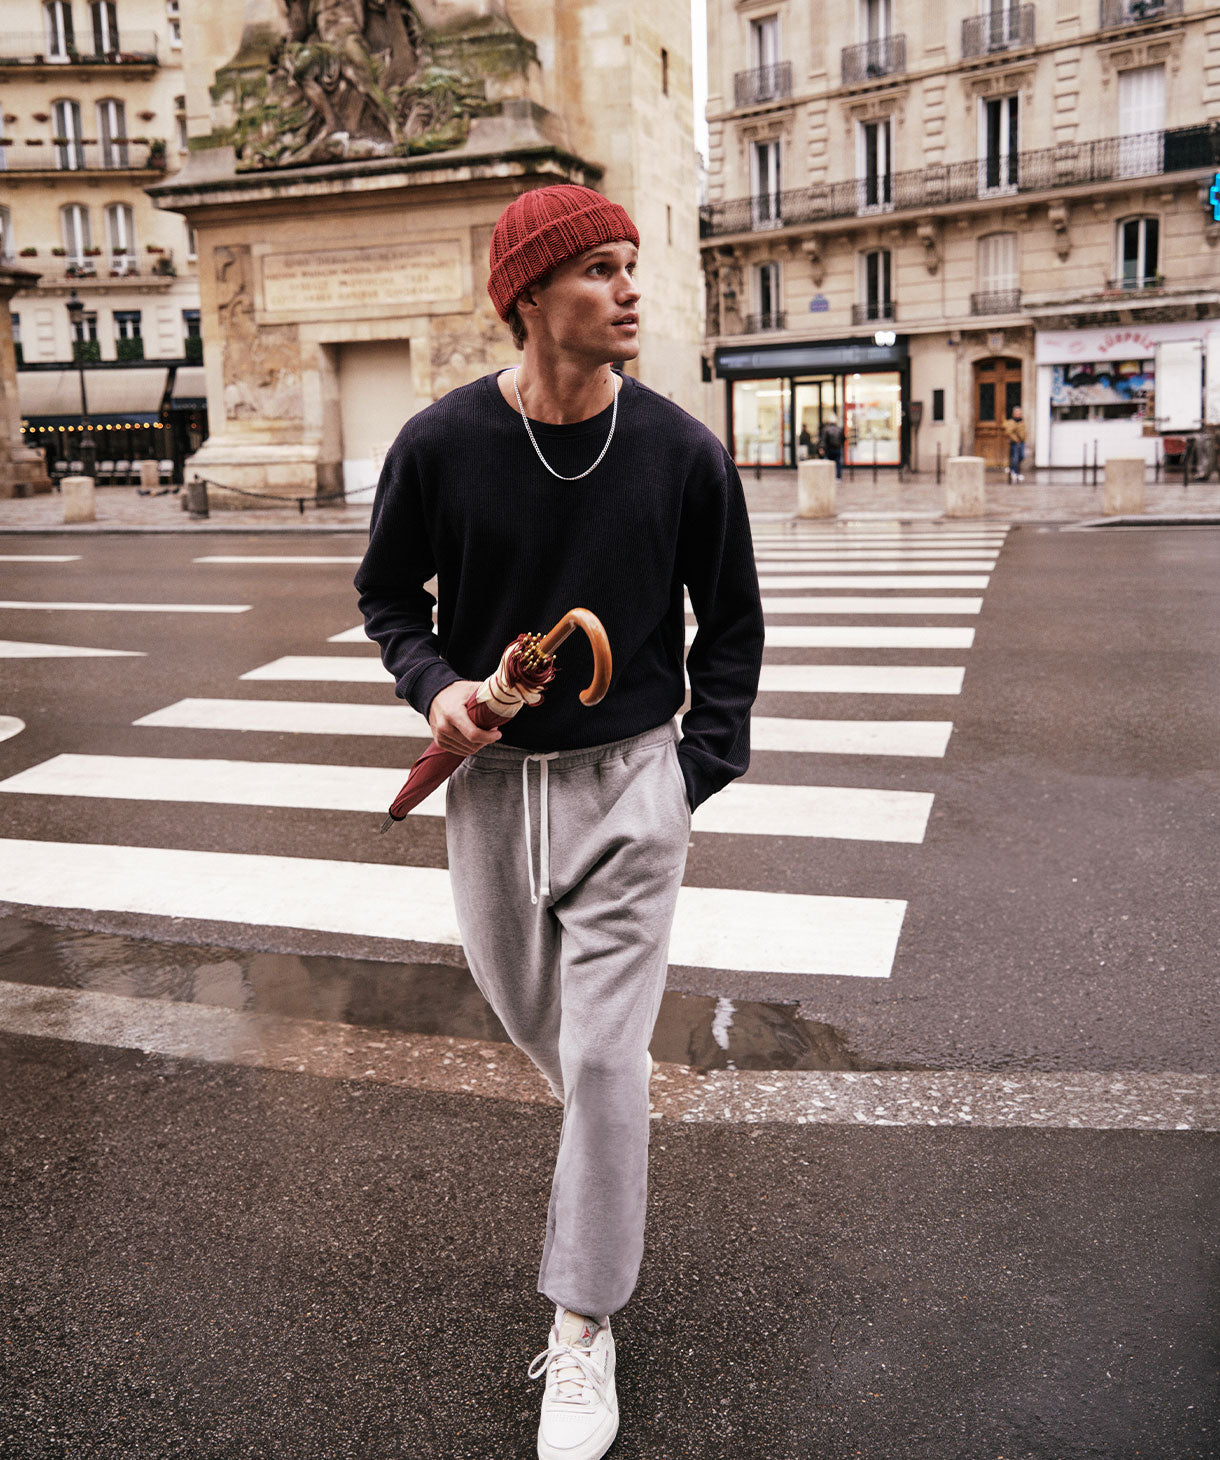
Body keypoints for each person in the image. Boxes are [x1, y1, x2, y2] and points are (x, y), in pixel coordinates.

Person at [354, 183, 764, 1460]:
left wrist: (687, 776)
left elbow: (731, 628)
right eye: (598, 267)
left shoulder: (681, 450)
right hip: (489, 791)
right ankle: (606, 1163)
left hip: (628, 784)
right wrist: (437, 686)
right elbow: (387, 597)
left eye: (631, 263)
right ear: (528, 295)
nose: (629, 288)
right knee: (560, 1044)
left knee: (600, 1063)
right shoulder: (439, 443)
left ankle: (581, 1325)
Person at [1004, 404, 1026, 481]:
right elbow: (1009, 432)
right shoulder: (1011, 422)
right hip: (1015, 442)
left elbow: (1024, 431)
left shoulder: (1021, 421)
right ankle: (1015, 473)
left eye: (1020, 413)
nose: (1019, 414)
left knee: (1022, 456)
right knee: (1015, 458)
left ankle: (1011, 468)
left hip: (1022, 442)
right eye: (1017, 413)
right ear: (1013, 413)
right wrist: (1016, 440)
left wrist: (1024, 438)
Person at [818, 413, 844, 479]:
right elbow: (843, 439)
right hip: (837, 449)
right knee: (838, 463)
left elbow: (823, 440)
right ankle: (838, 476)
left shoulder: (826, 429)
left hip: (829, 449)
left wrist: (821, 448)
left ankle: (830, 476)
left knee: (829, 463)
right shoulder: (839, 429)